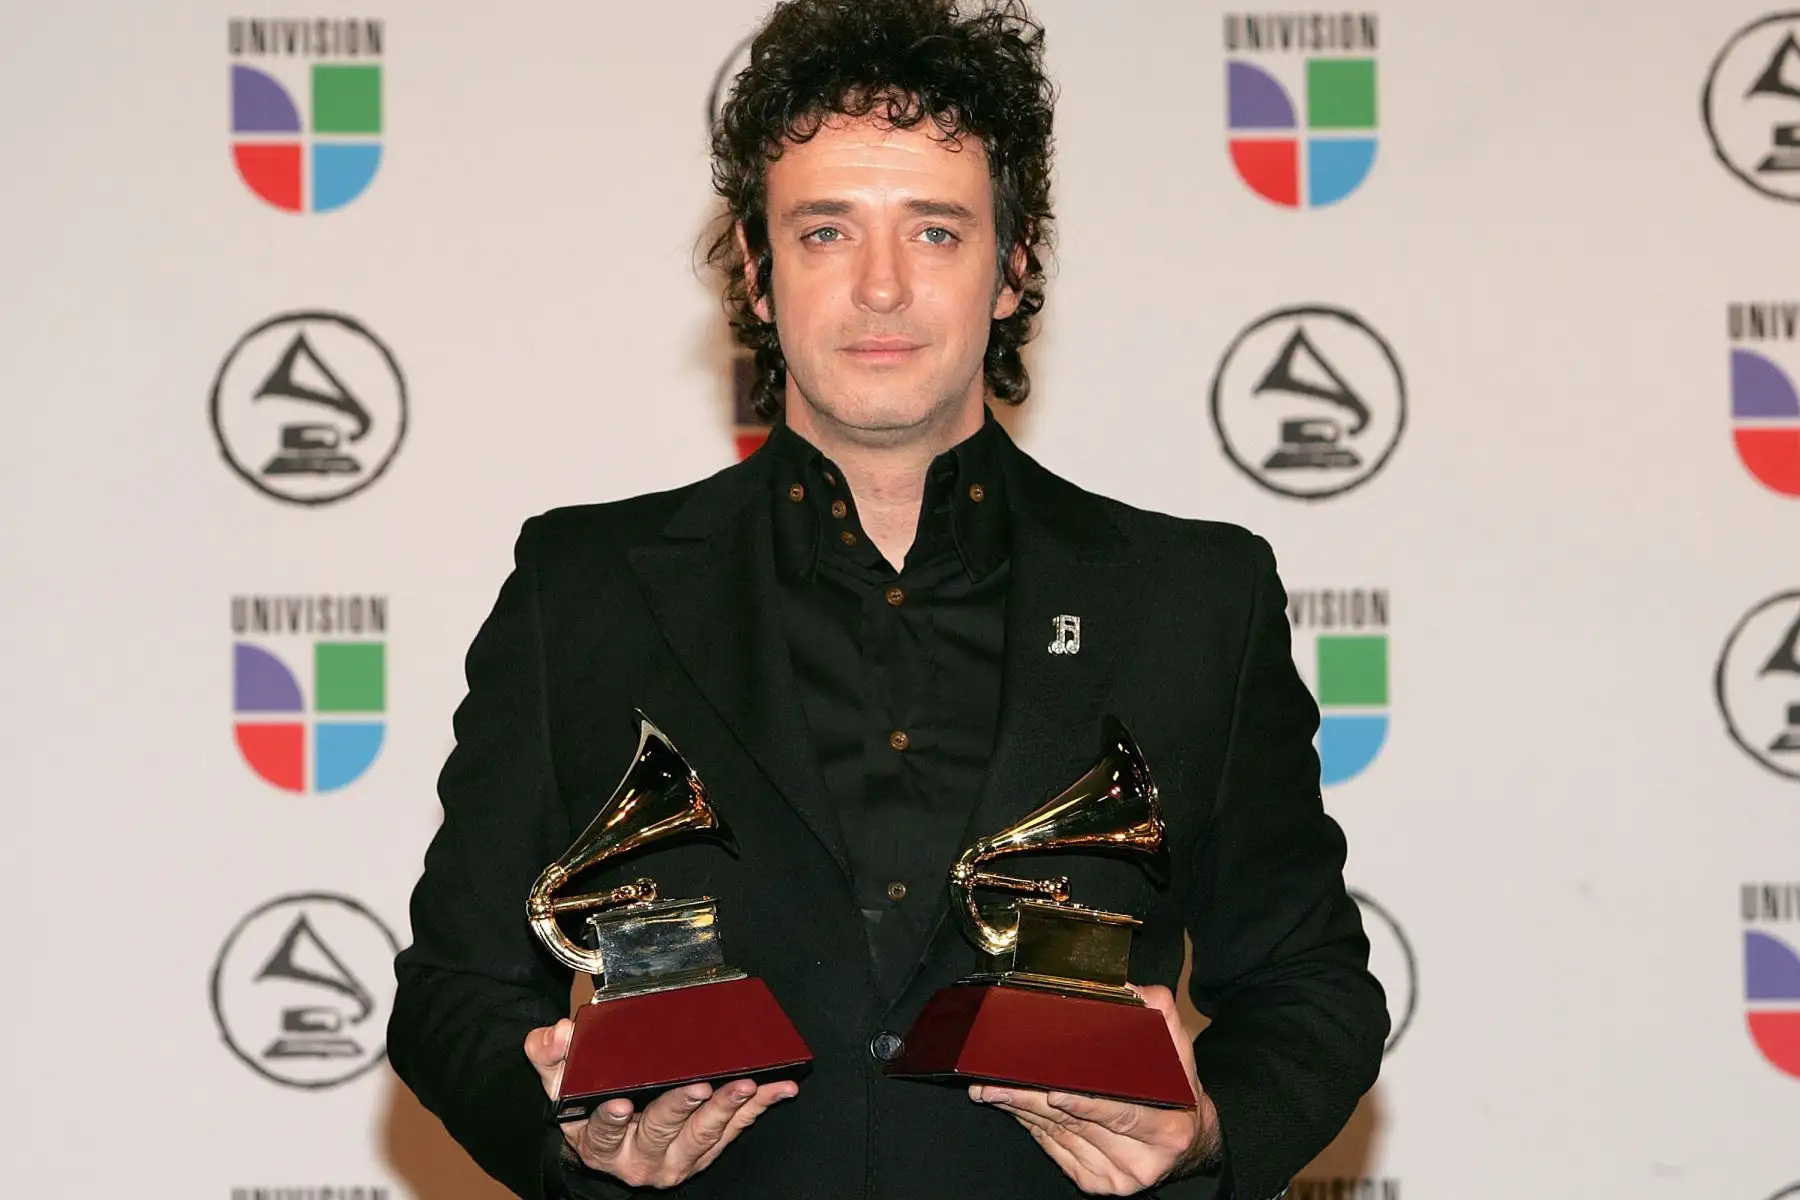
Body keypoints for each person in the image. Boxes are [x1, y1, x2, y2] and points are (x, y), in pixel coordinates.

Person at [387, 0, 1387, 1196]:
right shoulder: (582, 588)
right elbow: (453, 990)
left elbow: (1310, 989)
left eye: (934, 232)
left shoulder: (1195, 598)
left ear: (1013, 269)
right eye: (824, 233)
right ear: (756, 273)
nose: (878, 289)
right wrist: (575, 1139)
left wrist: (1209, 1132)